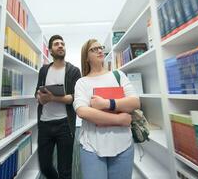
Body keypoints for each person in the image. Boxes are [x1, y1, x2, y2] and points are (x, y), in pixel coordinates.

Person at [73, 39, 140, 179]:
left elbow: (134, 102)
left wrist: (106, 104)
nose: (99, 50)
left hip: (123, 145)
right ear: (86, 57)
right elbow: (82, 111)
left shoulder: (118, 75)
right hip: (92, 147)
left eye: (100, 47)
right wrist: (119, 119)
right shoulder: (82, 82)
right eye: (94, 49)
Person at [35, 35, 81, 179]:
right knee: (45, 166)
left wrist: (52, 98)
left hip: (64, 125)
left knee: (65, 169)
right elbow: (37, 92)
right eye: (56, 44)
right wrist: (40, 99)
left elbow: (74, 97)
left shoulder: (73, 71)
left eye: (62, 43)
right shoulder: (43, 70)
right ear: (50, 50)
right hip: (44, 124)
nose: (60, 46)